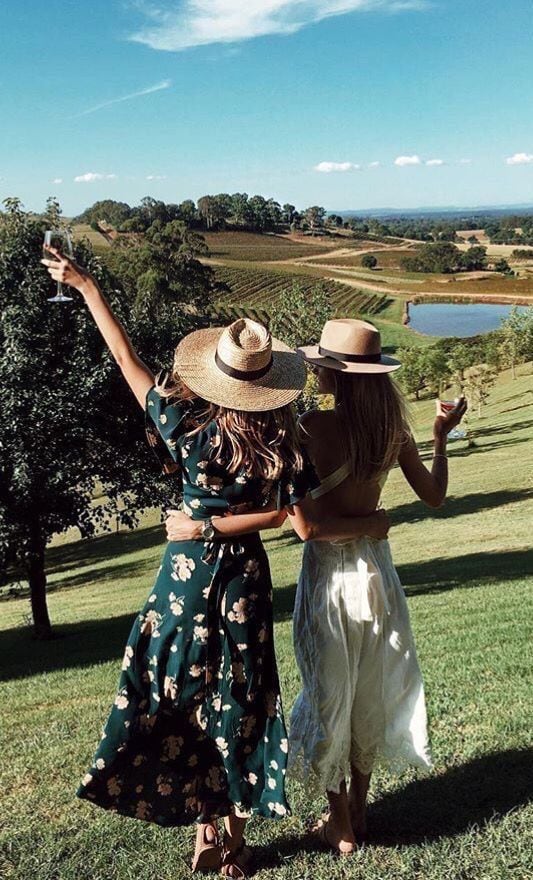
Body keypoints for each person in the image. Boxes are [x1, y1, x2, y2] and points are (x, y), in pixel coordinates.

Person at [42, 250, 388, 878]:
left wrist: (88, 286)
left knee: (179, 695)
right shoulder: (283, 441)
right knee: (242, 700)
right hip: (241, 585)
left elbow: (125, 359)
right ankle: (229, 838)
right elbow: (290, 518)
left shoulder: (182, 424)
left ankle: (205, 831)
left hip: (183, 578)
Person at [167, 318, 467, 857]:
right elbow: (435, 496)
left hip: (330, 575)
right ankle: (361, 807)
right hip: (378, 573)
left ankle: (340, 823)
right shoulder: (391, 431)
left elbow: (306, 528)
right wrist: (441, 439)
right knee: (368, 686)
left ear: (333, 374)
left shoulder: (308, 430)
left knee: (330, 692)